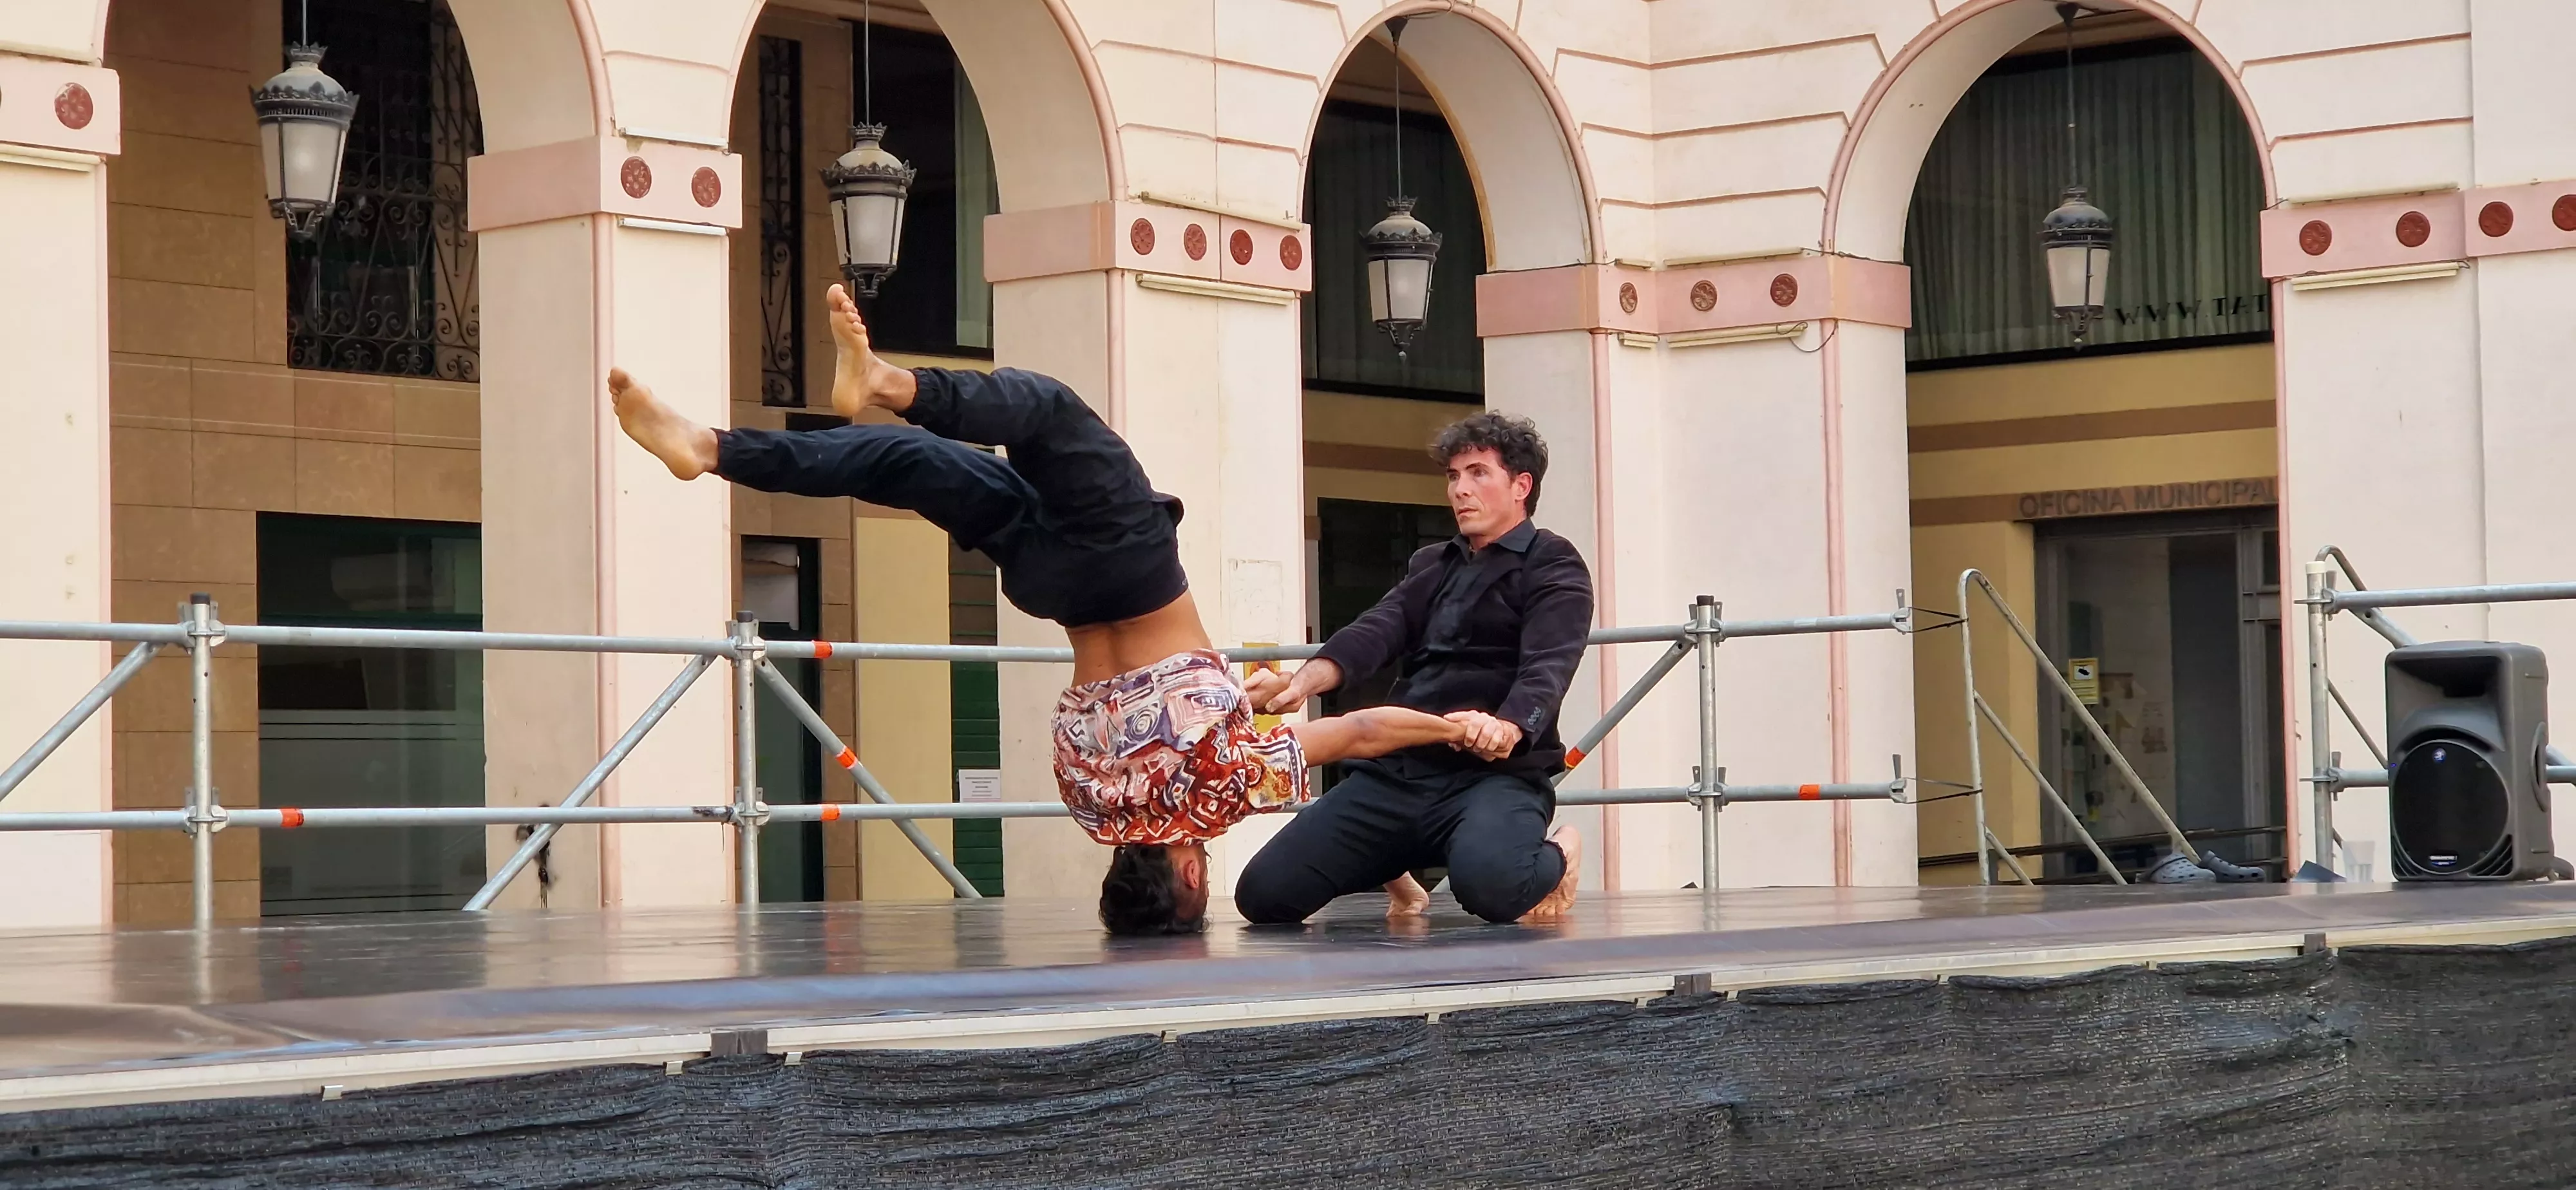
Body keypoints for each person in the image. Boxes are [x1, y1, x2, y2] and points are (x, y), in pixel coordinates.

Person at [607, 284, 1481, 936]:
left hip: (1125, 570)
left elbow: (1361, 736)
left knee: (1051, 413)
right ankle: (709, 449)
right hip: (1050, 587)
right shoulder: (1089, 803)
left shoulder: (1221, 796)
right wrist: (1236, 700)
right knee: (903, 467)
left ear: (1192, 875)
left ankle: (884, 379)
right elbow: (1152, 712)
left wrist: (1457, 729)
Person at [1234, 411, 1592, 925]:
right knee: (1265, 896)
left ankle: (1561, 852)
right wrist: (1298, 685)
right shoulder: (1433, 564)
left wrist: (1508, 725)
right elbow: (1376, 630)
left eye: (1477, 473)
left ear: (1521, 486)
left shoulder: (1553, 562)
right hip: (1398, 771)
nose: (1460, 490)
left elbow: (1550, 664)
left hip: (1494, 777)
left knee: (1492, 891)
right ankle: (1396, 872)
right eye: (1453, 477)